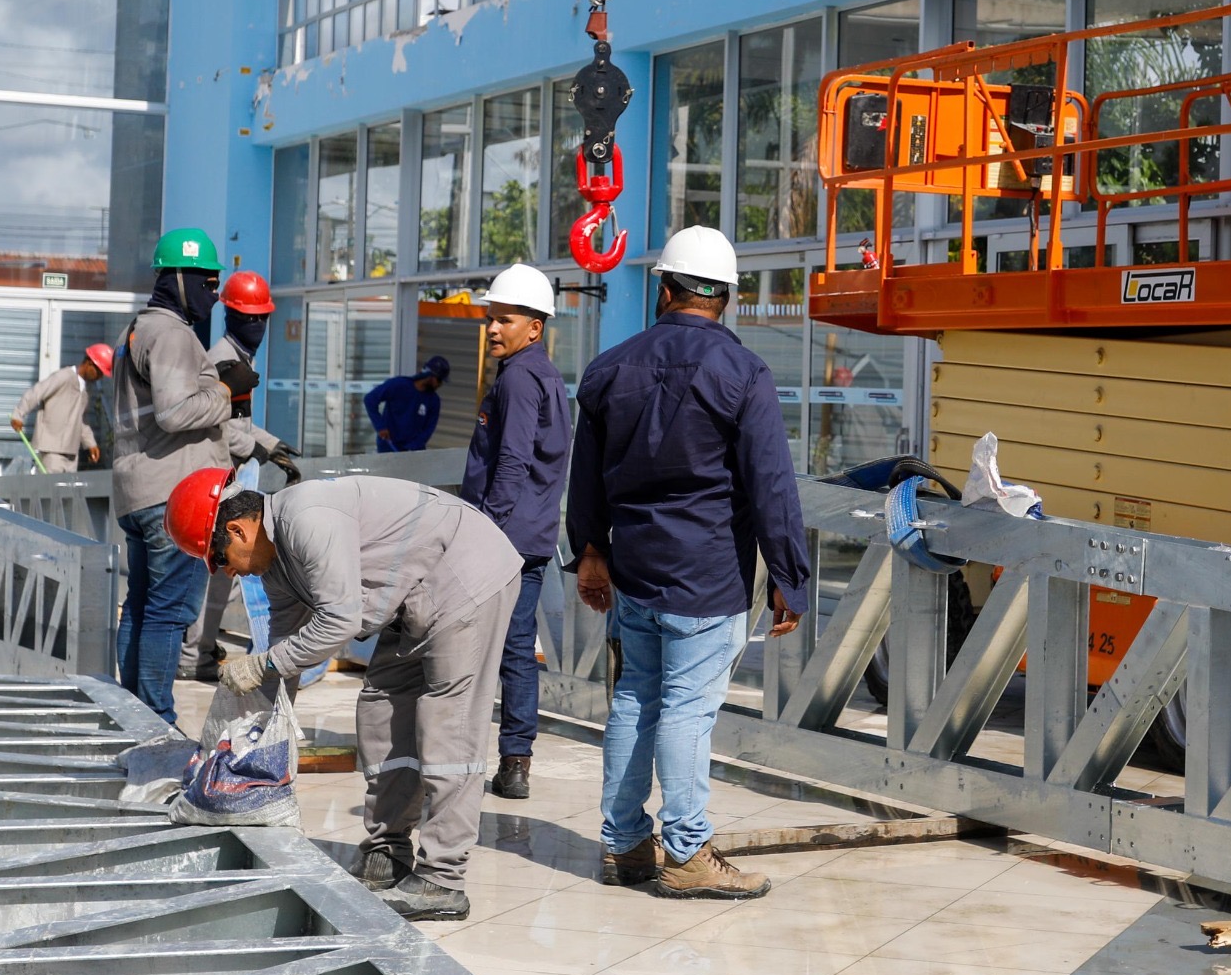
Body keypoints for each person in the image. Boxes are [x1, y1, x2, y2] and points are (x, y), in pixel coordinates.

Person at [566, 226, 809, 901]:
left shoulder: (608, 369)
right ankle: (686, 849)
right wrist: (790, 574)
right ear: (727, 298)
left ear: (664, 290)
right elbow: (771, 481)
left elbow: (584, 475)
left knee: (636, 700)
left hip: (633, 571)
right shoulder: (744, 374)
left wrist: (589, 551)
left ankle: (623, 843)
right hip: (707, 576)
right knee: (684, 710)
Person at [190, 471, 521, 921]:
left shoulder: (307, 519)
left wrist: (263, 664)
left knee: (448, 725)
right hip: (413, 596)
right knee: (382, 708)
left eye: (221, 559)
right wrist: (244, 742)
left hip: (465, 574)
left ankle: (443, 878)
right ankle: (388, 849)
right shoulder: (276, 567)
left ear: (237, 529)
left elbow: (338, 622)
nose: (227, 571)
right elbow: (287, 653)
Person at [109, 227, 269, 723]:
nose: (212, 292)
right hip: (172, 495)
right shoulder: (174, 334)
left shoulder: (135, 329)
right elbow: (176, 413)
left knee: (138, 607)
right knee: (167, 613)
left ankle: (132, 714)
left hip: (138, 491)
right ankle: (156, 719)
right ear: (177, 279)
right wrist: (224, 390)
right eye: (205, 281)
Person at [458, 264, 572, 802]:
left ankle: (495, 757)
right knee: (516, 649)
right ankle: (514, 762)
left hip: (505, 538)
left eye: (505, 319)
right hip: (527, 536)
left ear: (535, 326)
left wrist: (485, 530)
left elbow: (512, 461)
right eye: (491, 319)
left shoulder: (522, 378)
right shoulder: (540, 373)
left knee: (492, 651)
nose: (495, 329)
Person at [182, 269, 302, 686]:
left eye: (262, 318)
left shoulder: (240, 358)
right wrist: (261, 448)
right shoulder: (221, 361)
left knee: (225, 578)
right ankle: (194, 653)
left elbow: (243, 423)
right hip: (220, 476)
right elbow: (219, 424)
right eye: (249, 318)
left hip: (235, 472)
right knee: (219, 571)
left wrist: (274, 443)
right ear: (231, 317)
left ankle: (202, 646)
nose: (257, 326)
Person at [12, 344, 111, 473]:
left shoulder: (84, 392)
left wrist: (90, 443)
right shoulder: (64, 377)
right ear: (89, 363)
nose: (99, 377)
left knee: (67, 492)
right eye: (99, 371)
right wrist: (18, 414)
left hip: (71, 453)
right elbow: (37, 392)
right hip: (52, 451)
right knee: (49, 490)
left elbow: (80, 421)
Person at [364, 356, 450, 452]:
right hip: (388, 446)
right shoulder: (398, 385)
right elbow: (370, 400)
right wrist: (380, 427)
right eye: (439, 380)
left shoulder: (434, 400)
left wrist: (415, 446)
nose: (440, 384)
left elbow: (429, 428)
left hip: (412, 451)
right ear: (430, 376)